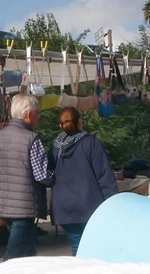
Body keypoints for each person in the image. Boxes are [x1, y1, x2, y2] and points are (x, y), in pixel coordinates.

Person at [0, 93, 51, 259]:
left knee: (27, 251)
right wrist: (57, 177)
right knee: (14, 256)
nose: (38, 116)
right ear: (28, 114)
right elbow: (41, 175)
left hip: (1, 206)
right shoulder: (31, 139)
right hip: (24, 207)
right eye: (37, 112)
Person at [48, 106, 119, 253]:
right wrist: (114, 202)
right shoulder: (91, 143)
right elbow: (104, 176)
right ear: (80, 121)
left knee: (78, 247)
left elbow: (48, 175)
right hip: (89, 205)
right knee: (95, 248)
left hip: (63, 207)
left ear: (60, 125)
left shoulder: (55, 147)